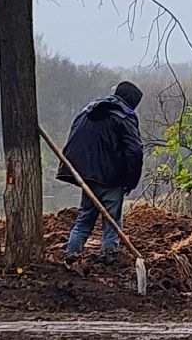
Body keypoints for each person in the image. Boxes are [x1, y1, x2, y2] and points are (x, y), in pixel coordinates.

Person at [57, 81, 145, 263]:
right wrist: (130, 181)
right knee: (112, 224)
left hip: (87, 178)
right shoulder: (124, 115)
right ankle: (109, 260)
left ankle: (70, 257)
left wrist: (80, 173)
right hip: (111, 179)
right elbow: (135, 150)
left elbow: (76, 138)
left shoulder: (90, 110)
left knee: (83, 221)